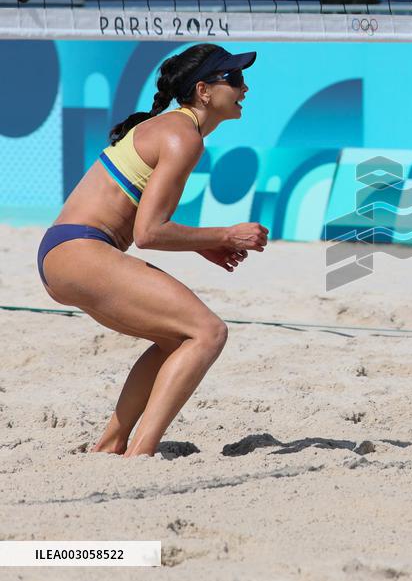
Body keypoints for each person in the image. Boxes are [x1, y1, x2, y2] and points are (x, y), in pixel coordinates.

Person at [36, 44, 269, 457]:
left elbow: (145, 225)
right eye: (233, 79)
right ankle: (140, 452)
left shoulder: (171, 129)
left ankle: (110, 445)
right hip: (81, 250)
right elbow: (149, 232)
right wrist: (225, 236)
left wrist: (205, 247)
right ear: (203, 91)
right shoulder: (183, 136)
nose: (245, 87)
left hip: (66, 252)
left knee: (174, 339)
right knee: (208, 332)